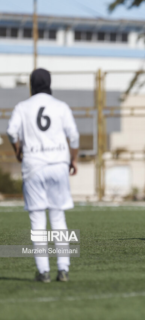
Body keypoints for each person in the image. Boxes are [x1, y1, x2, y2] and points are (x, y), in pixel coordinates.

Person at [7, 68, 79, 282]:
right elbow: (73, 137)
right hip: (58, 164)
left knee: (37, 219)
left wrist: (18, 151)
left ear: (31, 85)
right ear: (49, 84)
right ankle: (63, 269)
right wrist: (73, 159)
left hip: (33, 165)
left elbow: (12, 132)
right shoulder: (61, 107)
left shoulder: (22, 107)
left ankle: (43, 271)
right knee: (58, 217)